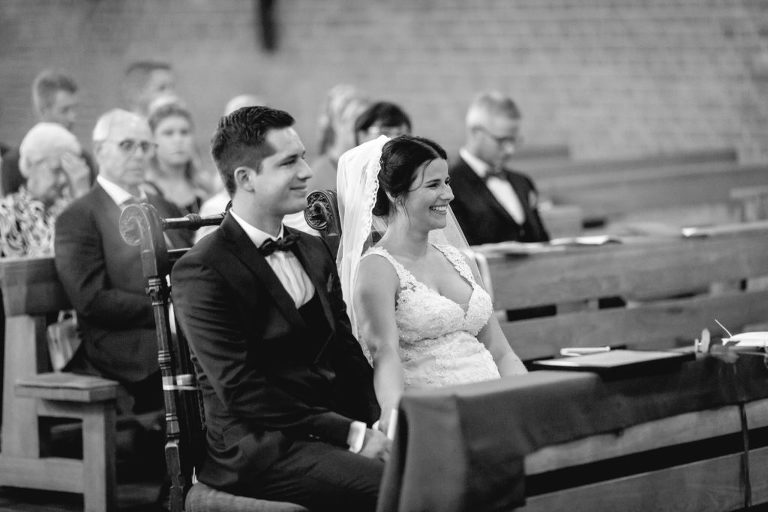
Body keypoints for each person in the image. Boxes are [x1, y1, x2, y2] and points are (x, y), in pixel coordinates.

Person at [171, 106, 387, 510]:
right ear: (245, 178)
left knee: (442, 460)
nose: (307, 171)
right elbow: (241, 389)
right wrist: (351, 434)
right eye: (289, 162)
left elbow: (346, 351)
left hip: (329, 428)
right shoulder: (202, 269)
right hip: (260, 448)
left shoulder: (312, 248)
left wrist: (379, 421)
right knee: (398, 484)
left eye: (303, 157)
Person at [337, 135, 527, 432]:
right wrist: (393, 417)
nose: (448, 194)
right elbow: (384, 353)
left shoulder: (458, 259)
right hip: (437, 416)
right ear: (395, 194)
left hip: (494, 402)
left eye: (447, 182)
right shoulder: (378, 268)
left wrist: (527, 398)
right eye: (433, 185)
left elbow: (501, 350)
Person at [54, 109, 188, 413]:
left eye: (145, 146)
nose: (139, 155)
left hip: (179, 322)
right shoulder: (79, 216)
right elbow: (91, 299)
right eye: (127, 145)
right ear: (100, 150)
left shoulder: (165, 205)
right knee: (202, 349)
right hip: (122, 340)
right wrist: (167, 311)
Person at [449, 92, 549, 245]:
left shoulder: (522, 182)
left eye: (513, 140)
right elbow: (459, 248)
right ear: (476, 133)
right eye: (502, 140)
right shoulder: (448, 183)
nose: (510, 150)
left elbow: (542, 240)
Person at [2, 70, 97, 196]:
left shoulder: (83, 160)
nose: (72, 117)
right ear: (43, 111)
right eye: (65, 110)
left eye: (74, 109)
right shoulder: (13, 163)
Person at [0, 122, 83, 257]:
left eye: (66, 172)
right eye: (56, 170)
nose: (63, 179)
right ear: (30, 164)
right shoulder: (5, 214)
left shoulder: (72, 210)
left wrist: (82, 196)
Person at [145, 101, 210, 215]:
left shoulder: (205, 188)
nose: (178, 140)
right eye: (168, 133)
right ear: (152, 140)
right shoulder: (144, 192)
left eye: (184, 132)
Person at [308, 84, 370, 192]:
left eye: (367, 120)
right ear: (336, 123)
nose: (364, 126)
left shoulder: (360, 168)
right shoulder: (321, 175)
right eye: (356, 118)